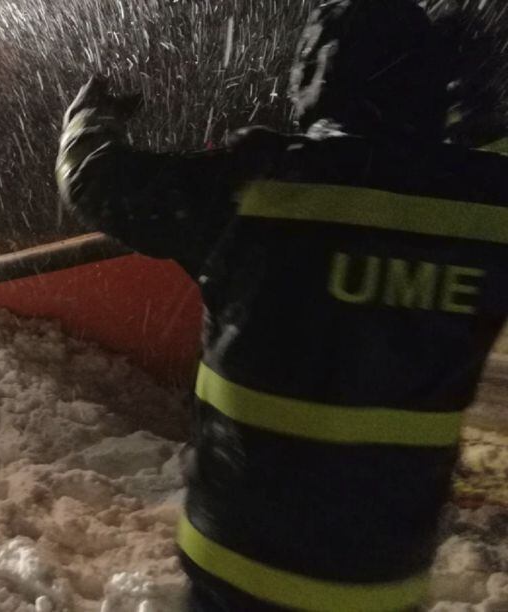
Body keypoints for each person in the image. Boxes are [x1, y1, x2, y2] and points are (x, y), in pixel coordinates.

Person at [56, 1, 508, 610]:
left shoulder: (256, 187)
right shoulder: (488, 213)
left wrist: (89, 118)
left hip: (238, 571)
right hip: (383, 580)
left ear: (317, 75)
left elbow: (95, 181)